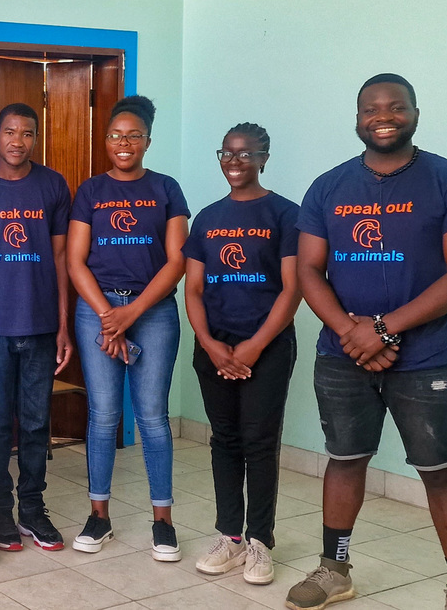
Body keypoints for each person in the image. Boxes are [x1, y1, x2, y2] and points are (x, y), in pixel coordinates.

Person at [286, 74, 447, 610]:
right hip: (342, 355)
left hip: (425, 358)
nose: (384, 116)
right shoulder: (328, 187)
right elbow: (309, 270)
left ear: (415, 113)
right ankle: (335, 570)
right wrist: (352, 332)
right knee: (345, 458)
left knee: (439, 469)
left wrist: (382, 327)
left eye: (396, 107)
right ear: (356, 119)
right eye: (371, 109)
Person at [66, 95, 189, 562]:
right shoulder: (91, 191)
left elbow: (176, 260)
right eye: (116, 135)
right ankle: (99, 516)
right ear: (106, 140)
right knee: (102, 415)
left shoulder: (166, 188)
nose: (124, 143)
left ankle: (163, 522)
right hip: (97, 309)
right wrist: (107, 315)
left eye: (133, 135)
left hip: (152, 312)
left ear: (147, 141)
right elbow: (76, 262)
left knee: (153, 417)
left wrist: (130, 313)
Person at [183, 123, 300, 586]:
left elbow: (292, 290)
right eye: (227, 154)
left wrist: (252, 346)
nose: (235, 162)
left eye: (246, 154)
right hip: (214, 349)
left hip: (265, 349)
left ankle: (260, 542)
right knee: (224, 440)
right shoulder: (208, 218)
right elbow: (192, 289)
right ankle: (230, 537)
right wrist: (212, 345)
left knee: (259, 442)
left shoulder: (285, 214)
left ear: (264, 157)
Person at [0, 103, 74, 552]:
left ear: (36, 139)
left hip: (39, 326)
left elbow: (61, 258)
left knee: (37, 424)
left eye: (27, 133)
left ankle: (32, 510)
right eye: (10, 132)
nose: (18, 141)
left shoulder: (52, 185)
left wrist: (62, 324)